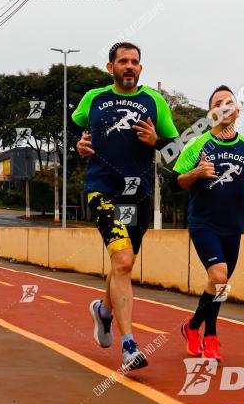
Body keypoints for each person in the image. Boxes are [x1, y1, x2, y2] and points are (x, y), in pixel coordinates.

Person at [72, 41, 178, 370]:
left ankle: (103, 312)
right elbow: (77, 130)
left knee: (123, 266)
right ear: (111, 67)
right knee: (123, 258)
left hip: (137, 194)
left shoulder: (154, 101)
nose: (129, 66)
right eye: (123, 61)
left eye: (134, 62)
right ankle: (129, 346)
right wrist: (79, 145)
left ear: (140, 69)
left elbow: (176, 148)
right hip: (102, 191)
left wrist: (155, 141)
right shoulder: (93, 99)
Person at [173, 86, 244, 361]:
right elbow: (177, 180)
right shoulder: (197, 145)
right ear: (211, 113)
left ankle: (192, 327)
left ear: (237, 112)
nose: (224, 107)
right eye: (217, 104)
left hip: (234, 225)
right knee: (219, 276)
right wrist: (196, 172)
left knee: (219, 285)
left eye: (229, 103)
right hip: (203, 223)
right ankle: (211, 336)